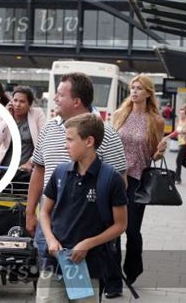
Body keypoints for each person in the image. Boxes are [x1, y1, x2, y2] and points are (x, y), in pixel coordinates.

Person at [25, 72, 127, 298]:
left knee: (83, 293)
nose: (55, 99)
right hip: (51, 225)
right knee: (50, 288)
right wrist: (30, 211)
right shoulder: (49, 129)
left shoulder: (106, 134)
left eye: (60, 95)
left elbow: (120, 181)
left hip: (88, 232)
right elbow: (39, 170)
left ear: (76, 101)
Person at [38, 113, 127, 303]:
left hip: (89, 266)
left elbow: (120, 225)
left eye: (70, 139)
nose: (65, 145)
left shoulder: (111, 178)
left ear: (89, 141)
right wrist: (50, 239)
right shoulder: (60, 172)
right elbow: (44, 212)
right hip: (54, 262)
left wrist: (88, 243)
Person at [105, 74, 166, 298]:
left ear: (148, 93)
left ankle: (132, 268)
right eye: (133, 88)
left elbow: (154, 156)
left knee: (131, 230)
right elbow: (110, 142)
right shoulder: (120, 114)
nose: (134, 92)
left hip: (138, 180)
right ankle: (113, 278)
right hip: (115, 176)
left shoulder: (155, 120)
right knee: (112, 230)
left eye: (139, 88)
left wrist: (160, 151)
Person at [0, 86, 45, 173]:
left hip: (27, 171)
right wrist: (6, 118)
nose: (17, 105)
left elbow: (44, 142)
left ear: (29, 104)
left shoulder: (37, 114)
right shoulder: (4, 114)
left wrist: (31, 162)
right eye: (15, 100)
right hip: (5, 169)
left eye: (22, 101)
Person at [162, 104, 186, 184]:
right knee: (182, 162)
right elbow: (176, 132)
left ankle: (177, 179)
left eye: (182, 113)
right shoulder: (179, 121)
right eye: (180, 113)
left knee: (178, 160)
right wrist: (166, 137)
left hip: (185, 144)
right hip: (180, 143)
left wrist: (185, 132)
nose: (181, 115)